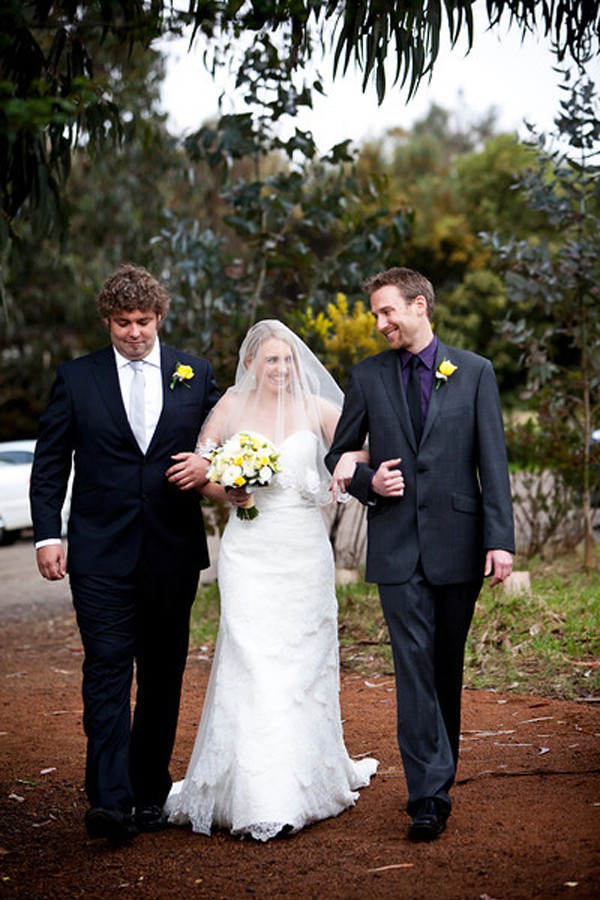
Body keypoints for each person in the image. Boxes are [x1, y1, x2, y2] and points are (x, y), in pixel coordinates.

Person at [164, 320, 378, 841]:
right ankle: (253, 790)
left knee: (300, 663)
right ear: (252, 363)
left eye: (288, 360)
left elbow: (362, 448)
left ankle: (300, 780)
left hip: (303, 551)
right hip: (249, 550)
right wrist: (227, 489)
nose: (281, 369)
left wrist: (343, 469)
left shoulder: (316, 407)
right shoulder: (231, 406)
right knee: (252, 660)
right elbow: (204, 467)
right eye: (271, 361)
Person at [29, 264, 220, 846]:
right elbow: (51, 461)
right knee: (107, 669)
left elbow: (226, 436)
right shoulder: (76, 378)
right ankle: (109, 801)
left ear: (159, 318)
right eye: (122, 322)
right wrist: (46, 535)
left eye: (143, 321)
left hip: (172, 549)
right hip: (99, 554)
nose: (134, 332)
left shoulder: (196, 373)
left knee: (162, 675)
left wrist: (210, 466)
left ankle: (148, 791)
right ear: (107, 322)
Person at [326, 267, 514, 842]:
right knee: (412, 667)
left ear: (419, 306)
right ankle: (427, 795)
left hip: (459, 543)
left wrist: (500, 539)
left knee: (443, 666)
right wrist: (368, 484)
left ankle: (440, 772)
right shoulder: (367, 376)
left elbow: (493, 462)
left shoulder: (475, 372)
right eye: (376, 314)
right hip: (397, 546)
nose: (380, 323)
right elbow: (337, 456)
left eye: (388, 312)